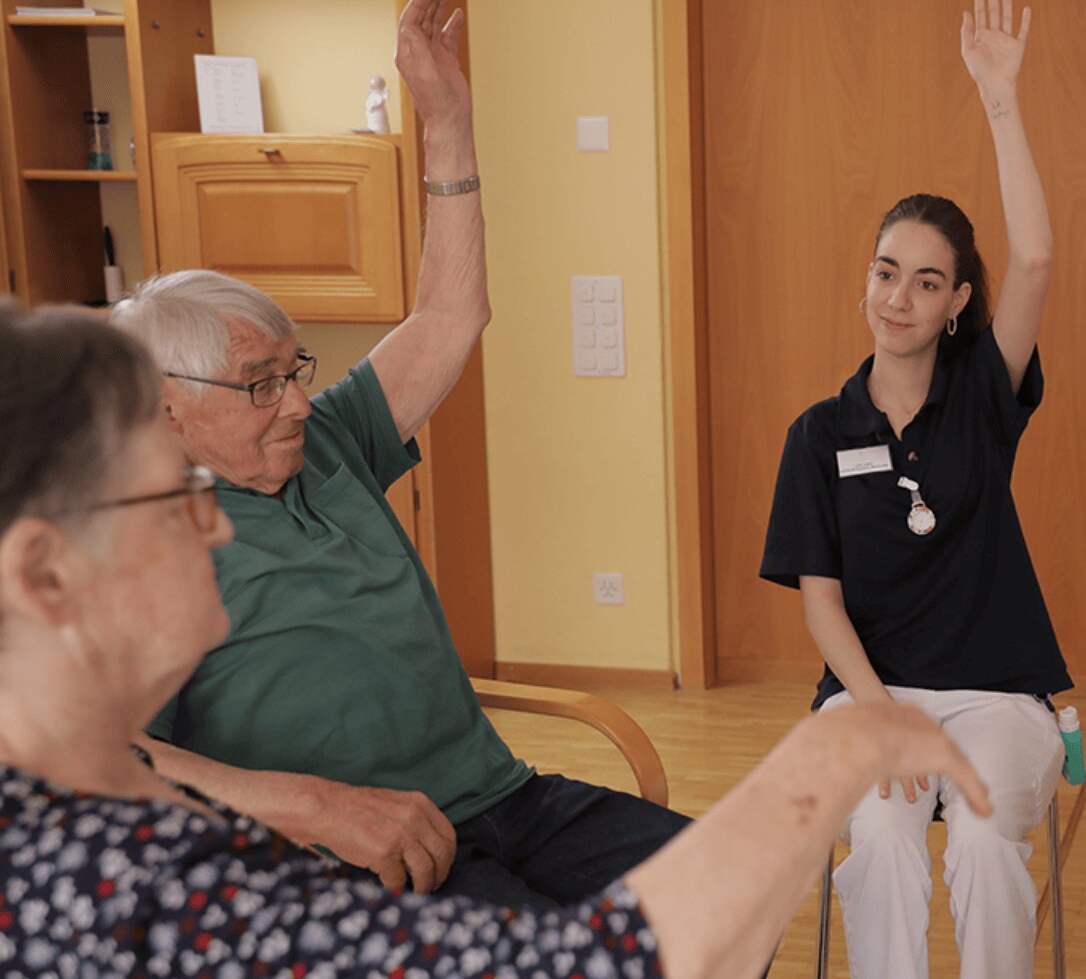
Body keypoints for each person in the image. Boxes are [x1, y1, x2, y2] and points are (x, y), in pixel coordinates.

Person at [0, 299, 995, 979]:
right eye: (172, 501)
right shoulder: (136, 883)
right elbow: (586, 967)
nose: (216, 528)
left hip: (488, 800)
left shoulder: (88, 825)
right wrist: (828, 760)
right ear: (43, 573)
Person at [109, 0, 688, 908]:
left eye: (295, 369)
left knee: (733, 887)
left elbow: (451, 317)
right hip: (364, 858)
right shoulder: (133, 543)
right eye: (261, 383)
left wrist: (448, 124)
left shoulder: (329, 440)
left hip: (508, 801)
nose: (298, 403)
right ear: (165, 408)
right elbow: (94, 752)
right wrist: (312, 806)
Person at [759, 0, 1068, 979]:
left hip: (998, 699)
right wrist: (881, 713)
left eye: (927, 282)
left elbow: (1038, 259)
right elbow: (821, 604)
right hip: (868, 693)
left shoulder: (983, 395)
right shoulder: (819, 435)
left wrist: (1001, 100)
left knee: (979, 834)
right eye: (886, 271)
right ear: (868, 279)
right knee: (885, 834)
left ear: (956, 302)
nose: (899, 298)